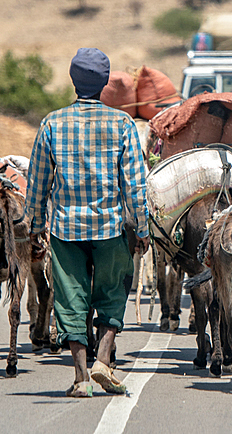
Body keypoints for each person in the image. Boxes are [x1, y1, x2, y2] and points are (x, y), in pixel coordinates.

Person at [26, 48, 151, 398]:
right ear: (105, 83)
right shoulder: (123, 124)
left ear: (72, 80)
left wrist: (35, 226)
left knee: (70, 299)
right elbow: (135, 186)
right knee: (112, 293)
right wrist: (141, 229)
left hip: (65, 231)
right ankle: (103, 360)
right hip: (111, 228)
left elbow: (37, 182)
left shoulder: (52, 123)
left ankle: (81, 379)